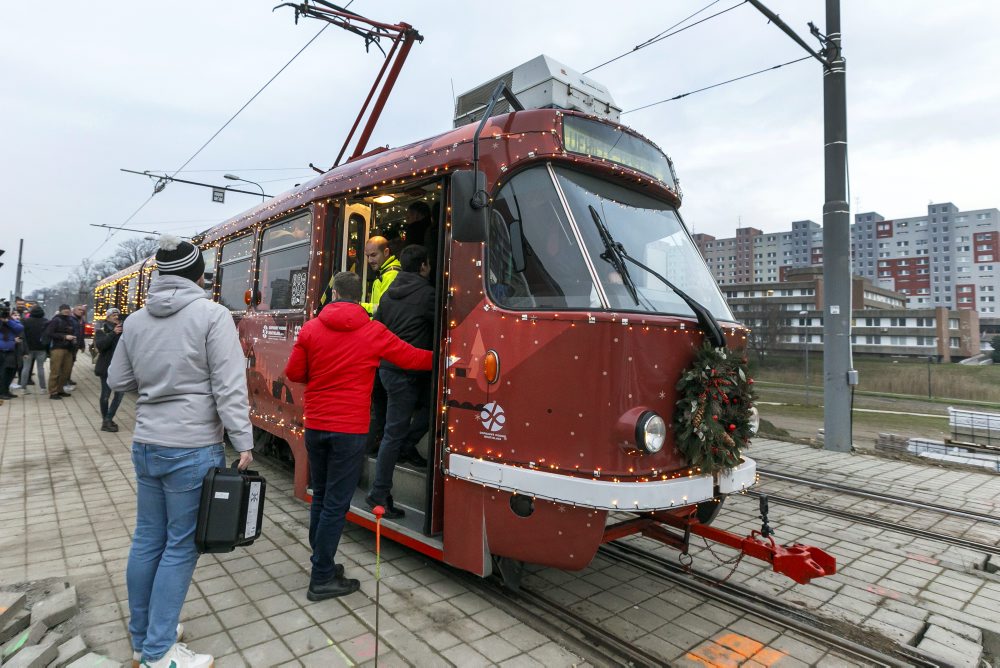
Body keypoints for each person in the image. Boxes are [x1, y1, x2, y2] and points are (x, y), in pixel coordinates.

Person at [108, 235, 253, 668]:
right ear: (198, 274)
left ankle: (143, 638)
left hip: (147, 443)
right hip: (192, 447)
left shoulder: (135, 321)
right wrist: (243, 440)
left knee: (147, 539)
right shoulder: (212, 315)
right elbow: (228, 385)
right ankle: (158, 654)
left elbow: (118, 380)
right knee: (180, 545)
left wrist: (157, 389)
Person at [284, 271, 432, 601]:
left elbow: (294, 372)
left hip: (317, 425)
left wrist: (320, 370)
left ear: (334, 294)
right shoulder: (373, 331)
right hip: (349, 431)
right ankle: (321, 576)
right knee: (337, 503)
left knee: (321, 496)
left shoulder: (311, 328)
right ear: (358, 295)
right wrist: (450, 358)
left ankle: (322, 562)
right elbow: (411, 357)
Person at [368, 245, 435, 518]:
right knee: (395, 434)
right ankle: (378, 494)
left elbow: (377, 327)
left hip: (386, 370)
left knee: (392, 430)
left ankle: (406, 447)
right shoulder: (429, 294)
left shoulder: (388, 293)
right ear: (423, 267)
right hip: (409, 372)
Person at [94, 308, 125, 432]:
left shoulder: (124, 330)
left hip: (121, 368)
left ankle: (108, 419)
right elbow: (101, 346)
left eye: (118, 314)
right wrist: (114, 333)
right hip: (106, 367)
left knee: (119, 395)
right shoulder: (102, 331)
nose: (116, 316)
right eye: (113, 314)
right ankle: (106, 421)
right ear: (107, 317)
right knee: (106, 395)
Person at [43, 304, 77, 400]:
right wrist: (64, 337)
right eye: (64, 309)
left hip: (68, 348)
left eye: (68, 309)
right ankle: (53, 392)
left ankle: (60, 389)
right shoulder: (55, 320)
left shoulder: (70, 320)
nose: (66, 311)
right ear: (60, 310)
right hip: (57, 348)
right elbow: (49, 333)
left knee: (66, 371)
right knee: (55, 371)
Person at [360, 236, 400, 315]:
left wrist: (357, 306)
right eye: (368, 256)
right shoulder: (384, 272)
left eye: (373, 255)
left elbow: (384, 309)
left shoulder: (391, 275)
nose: (370, 260)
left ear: (386, 252)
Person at [19, 305, 48, 393]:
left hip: (28, 348)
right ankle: (43, 388)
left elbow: (22, 335)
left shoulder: (25, 321)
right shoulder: (46, 321)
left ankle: (23, 388)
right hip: (41, 348)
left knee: (26, 368)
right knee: (40, 368)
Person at [0, 303, 24, 400]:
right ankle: (1, 392)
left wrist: (7, 321)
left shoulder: (11, 321)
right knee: (2, 373)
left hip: (10, 351)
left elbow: (20, 328)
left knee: (11, 371)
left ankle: (6, 390)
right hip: (1, 351)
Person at [64, 304, 87, 391]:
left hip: (76, 345)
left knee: (71, 363)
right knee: (67, 364)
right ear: (73, 310)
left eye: (82, 310)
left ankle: (68, 379)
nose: (81, 311)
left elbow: (82, 334)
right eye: (79, 309)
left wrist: (82, 345)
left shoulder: (81, 320)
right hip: (69, 345)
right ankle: (64, 381)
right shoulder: (70, 319)